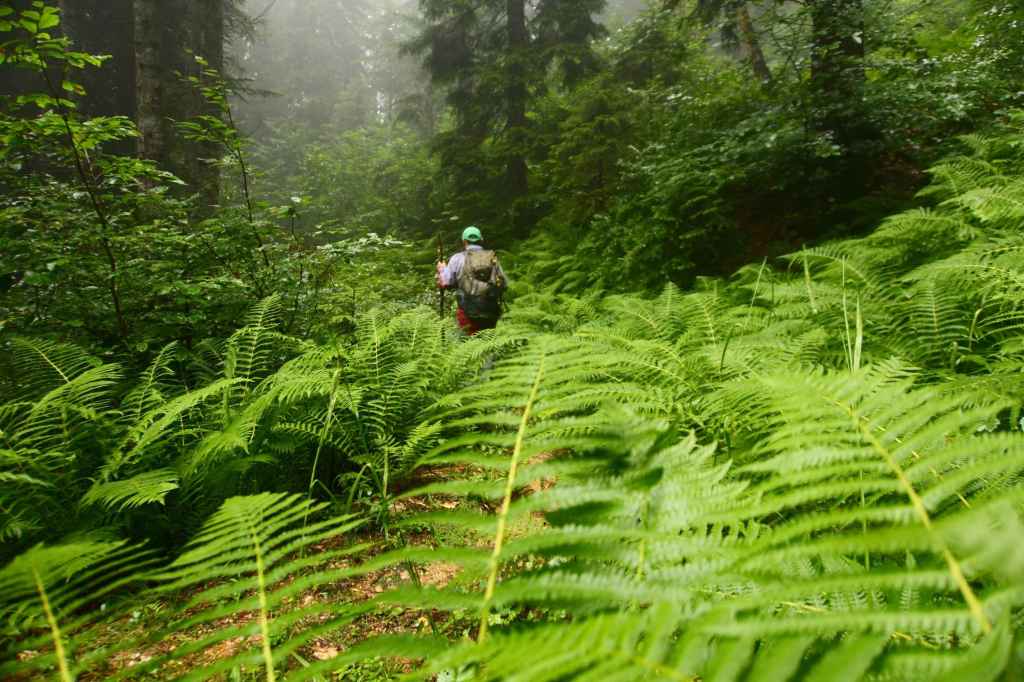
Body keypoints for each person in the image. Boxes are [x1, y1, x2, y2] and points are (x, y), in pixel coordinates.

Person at [437, 226, 508, 335]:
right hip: (490, 311)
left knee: (467, 346)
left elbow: (446, 282)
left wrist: (442, 270)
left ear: (464, 241)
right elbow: (504, 284)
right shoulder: (492, 258)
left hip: (466, 312)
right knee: (486, 343)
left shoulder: (457, 258)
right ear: (481, 240)